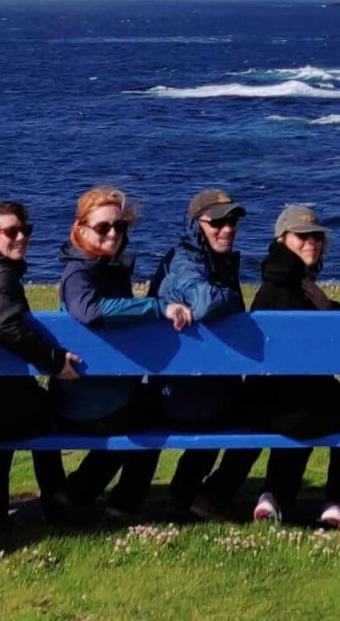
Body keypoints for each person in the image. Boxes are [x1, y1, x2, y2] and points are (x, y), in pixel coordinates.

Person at [235, 205, 340, 528]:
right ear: (282, 239)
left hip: (262, 405)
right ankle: (338, 500)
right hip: (289, 408)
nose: (310, 242)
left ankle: (274, 495)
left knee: (310, 404)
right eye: (301, 236)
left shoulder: (278, 282)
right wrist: (338, 313)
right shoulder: (294, 288)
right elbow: (333, 350)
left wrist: (331, 308)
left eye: (315, 236)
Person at [53, 186, 189, 520]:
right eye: (103, 227)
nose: (113, 233)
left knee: (143, 411)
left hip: (95, 393)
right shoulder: (80, 272)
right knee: (157, 417)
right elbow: (89, 311)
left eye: (120, 226)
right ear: (81, 229)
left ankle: (77, 492)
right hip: (86, 400)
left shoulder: (102, 267)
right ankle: (121, 503)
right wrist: (157, 306)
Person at [0, 201, 80, 530]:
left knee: (27, 401)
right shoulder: (0, 275)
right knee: (49, 413)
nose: (22, 237)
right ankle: (58, 505)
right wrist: (54, 362)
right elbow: (0, 326)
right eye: (11, 232)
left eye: (25, 230)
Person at [150, 187, 248, 518]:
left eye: (232, 222)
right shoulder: (184, 262)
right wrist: (233, 299)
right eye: (217, 223)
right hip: (179, 391)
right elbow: (206, 302)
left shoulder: (214, 261)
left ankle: (187, 496)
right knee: (263, 415)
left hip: (195, 383)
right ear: (196, 226)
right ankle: (198, 498)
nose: (227, 229)